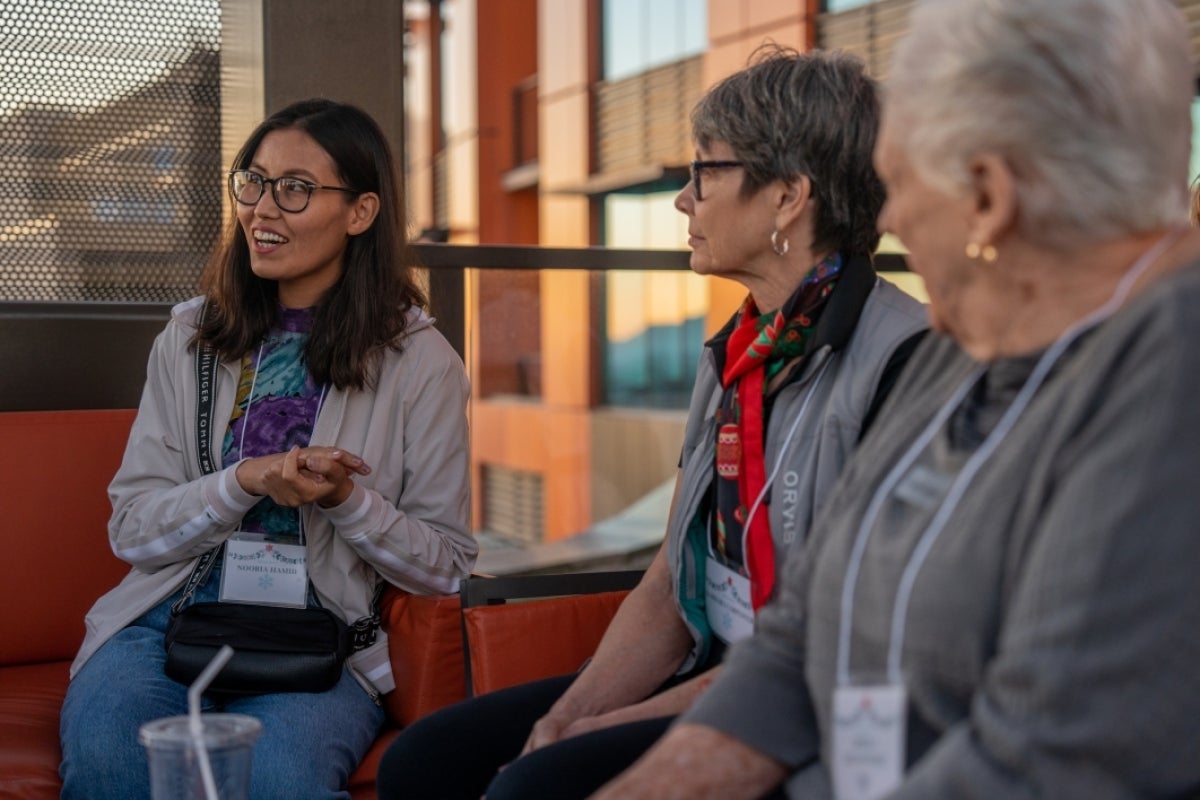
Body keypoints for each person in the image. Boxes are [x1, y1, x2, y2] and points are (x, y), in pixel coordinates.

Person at [592, 1, 1200, 797]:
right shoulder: (964, 348)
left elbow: (1047, 760)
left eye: (902, 180)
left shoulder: (1166, 387)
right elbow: (799, 630)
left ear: (987, 198)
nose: (891, 217)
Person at [376, 46, 928, 800]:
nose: (683, 199)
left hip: (801, 702)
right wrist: (568, 716)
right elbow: (670, 580)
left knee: (528, 789)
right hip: (709, 662)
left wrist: (595, 733)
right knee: (426, 760)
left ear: (788, 197)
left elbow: (843, 646)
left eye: (705, 172)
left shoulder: (905, 364)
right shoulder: (737, 354)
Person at [58, 99, 475, 800]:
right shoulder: (191, 340)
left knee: (279, 782)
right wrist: (244, 481)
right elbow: (132, 528)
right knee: (114, 767)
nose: (262, 209)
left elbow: (446, 567)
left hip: (323, 636)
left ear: (361, 212)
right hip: (165, 620)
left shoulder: (420, 362)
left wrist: (347, 502)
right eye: (253, 182)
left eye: (296, 189)